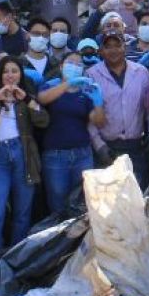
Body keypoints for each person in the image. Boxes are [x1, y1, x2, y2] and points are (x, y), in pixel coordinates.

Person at [35, 52, 104, 215]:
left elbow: (98, 121)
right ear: (61, 66)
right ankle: (58, 238)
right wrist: (67, 84)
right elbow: (42, 99)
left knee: (82, 203)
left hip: (82, 154)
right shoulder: (51, 85)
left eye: (79, 64)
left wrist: (98, 102)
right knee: (57, 204)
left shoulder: (85, 90)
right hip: (55, 156)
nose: (75, 66)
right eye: (70, 62)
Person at [86, 30, 149, 187]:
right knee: (110, 200)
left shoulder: (141, 72)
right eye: (108, 46)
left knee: (138, 195)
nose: (113, 50)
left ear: (125, 47)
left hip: (136, 147)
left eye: (117, 45)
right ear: (101, 50)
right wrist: (99, 146)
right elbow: (88, 116)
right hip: (107, 148)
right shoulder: (91, 75)